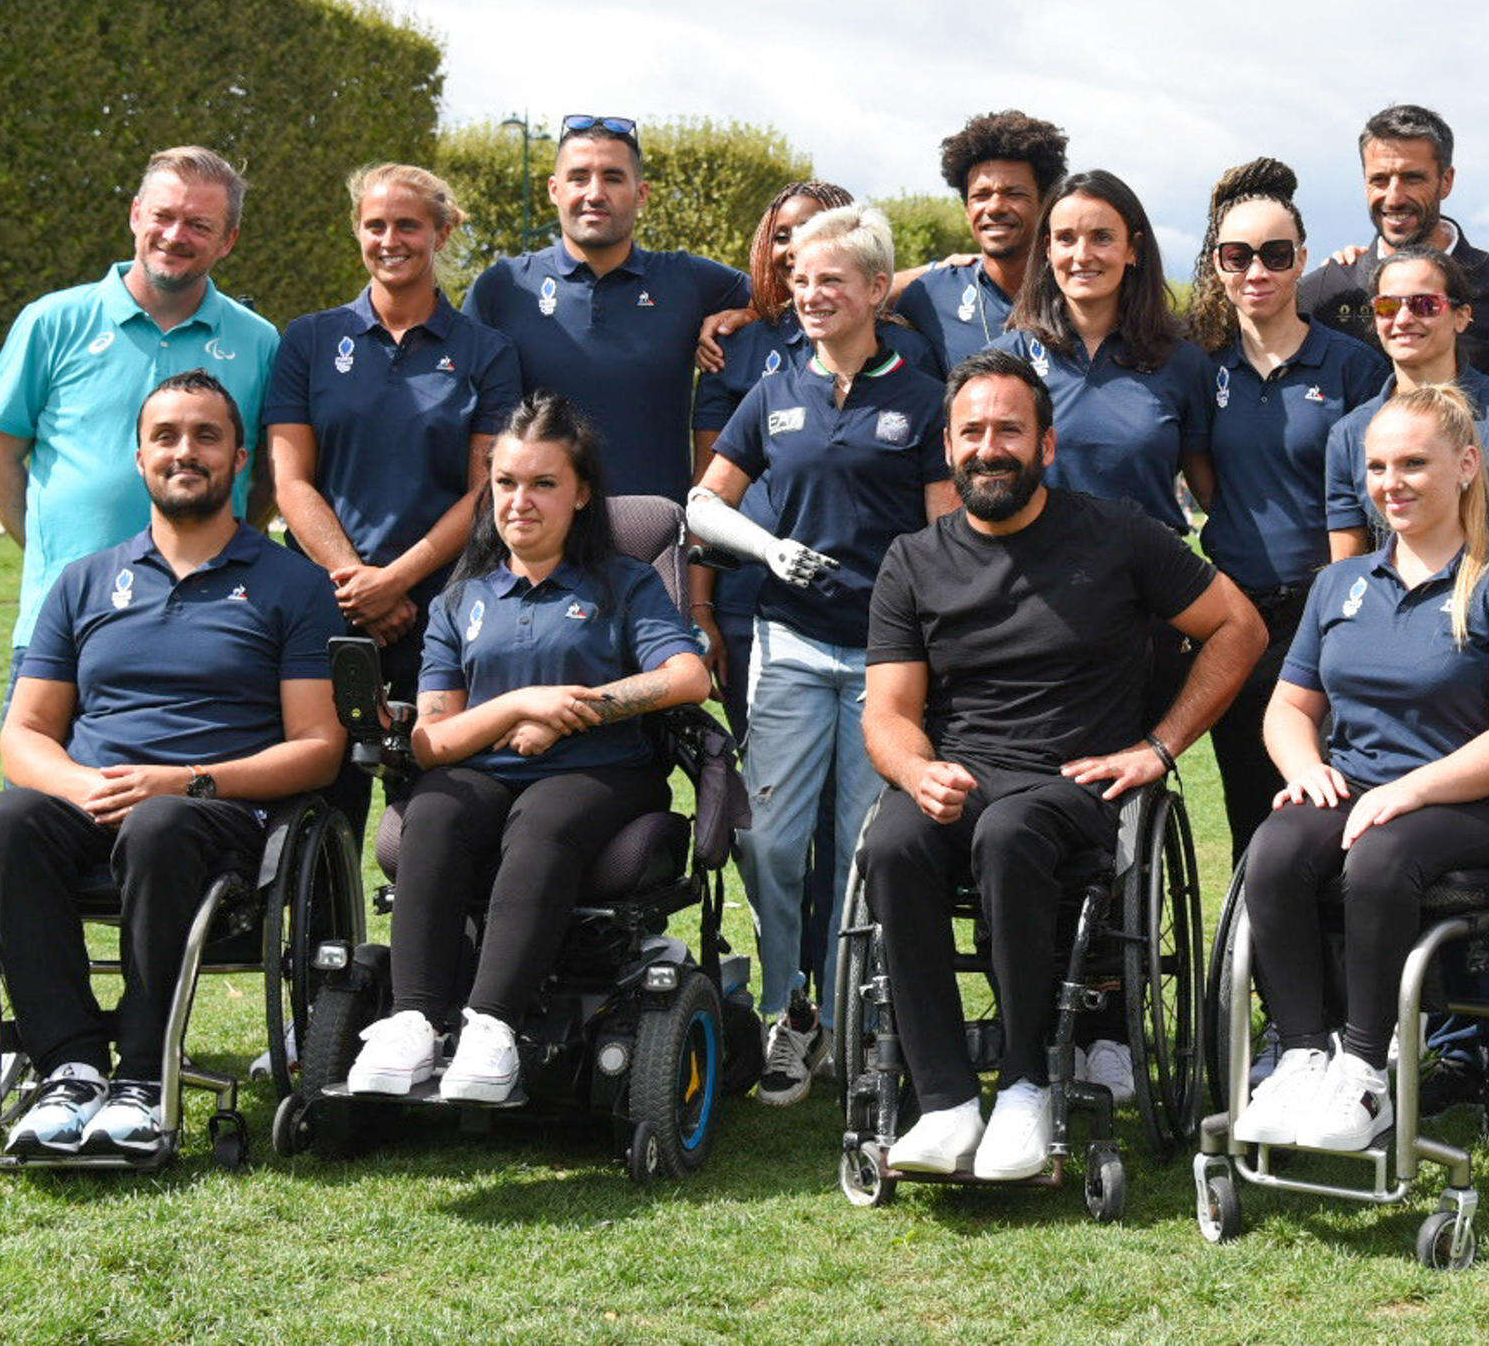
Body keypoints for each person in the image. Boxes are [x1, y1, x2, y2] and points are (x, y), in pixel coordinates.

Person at [860, 351, 1263, 1179]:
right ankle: (942, 1099)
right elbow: (889, 713)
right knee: (892, 843)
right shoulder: (913, 559)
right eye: (972, 430)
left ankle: (1024, 1084)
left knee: (1010, 832)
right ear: (947, 446)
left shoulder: (1118, 535)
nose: (989, 446)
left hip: (1069, 783)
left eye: (1010, 429)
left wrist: (1159, 745)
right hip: (958, 775)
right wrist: (913, 771)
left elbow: (1239, 628)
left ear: (1046, 446)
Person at [0, 371, 348, 1157]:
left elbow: (319, 746)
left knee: (159, 822)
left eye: (207, 435)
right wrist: (84, 784)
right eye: (167, 436)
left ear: (240, 457)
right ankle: (69, 1069)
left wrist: (186, 780)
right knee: (9, 818)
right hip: (92, 799)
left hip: (215, 814)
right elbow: (25, 735)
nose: (186, 451)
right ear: (139, 456)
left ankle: (144, 1077)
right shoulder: (81, 581)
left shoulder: (293, 584)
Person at [345, 394, 712, 1102]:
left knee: (544, 814)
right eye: (507, 482)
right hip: (483, 774)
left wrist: (576, 712)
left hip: (601, 773)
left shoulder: (625, 583)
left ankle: (492, 1026)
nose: (521, 500)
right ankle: (414, 1018)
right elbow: (433, 738)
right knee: (435, 808)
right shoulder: (460, 601)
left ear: (581, 494)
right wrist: (518, 705)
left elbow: (688, 675)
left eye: (544, 483)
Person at [1232, 384, 1489, 1152]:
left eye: (1414, 462)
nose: (1392, 482)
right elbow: (1287, 707)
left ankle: (1363, 1066)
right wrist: (1304, 764)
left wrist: (1410, 790)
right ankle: (1303, 1052)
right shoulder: (1339, 585)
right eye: (1378, 466)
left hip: (1475, 796)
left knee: (1377, 856)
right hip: (1357, 781)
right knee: (1274, 849)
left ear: (1467, 465)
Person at [687, 204, 957, 1106]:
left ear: (877, 290)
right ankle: (787, 1009)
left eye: (830, 279)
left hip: (887, 661)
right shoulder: (773, 390)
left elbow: (947, 535)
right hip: (790, 643)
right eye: (799, 278)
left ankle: (855, 1020)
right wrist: (765, 550)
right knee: (769, 841)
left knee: (860, 850)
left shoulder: (923, 400)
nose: (809, 293)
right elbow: (702, 506)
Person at [0, 148, 281, 675]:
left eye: (198, 224)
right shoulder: (51, 322)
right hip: (64, 623)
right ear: (137, 214)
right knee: (43, 759)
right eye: (163, 216)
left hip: (208, 623)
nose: (174, 234)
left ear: (228, 240)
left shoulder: (259, 342)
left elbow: (267, 481)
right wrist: (57, 558)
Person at [1182, 158, 1391, 852]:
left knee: (1331, 810)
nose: (1256, 271)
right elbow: (1207, 477)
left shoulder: (1352, 365)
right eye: (1237, 255)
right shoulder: (1202, 367)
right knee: (1251, 814)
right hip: (1234, 617)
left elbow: (1372, 500)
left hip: (1325, 612)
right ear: (1217, 263)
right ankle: (1266, 961)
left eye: (1275, 254)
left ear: (1302, 259)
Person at [266, 163, 522, 709]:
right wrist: (359, 582)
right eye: (375, 225)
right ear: (357, 231)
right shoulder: (309, 340)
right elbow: (290, 482)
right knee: (324, 782)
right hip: (329, 596)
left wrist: (396, 581)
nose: (390, 241)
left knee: (430, 785)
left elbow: (486, 492)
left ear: (442, 232)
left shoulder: (488, 352)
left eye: (408, 225)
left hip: (443, 601)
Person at [991, 170, 1219, 737]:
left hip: (1144, 609)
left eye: (1101, 237)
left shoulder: (1182, 363)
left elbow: (1213, 495)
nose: (1081, 254)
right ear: (1047, 250)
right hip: (1032, 603)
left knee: (1124, 784)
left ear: (1134, 250)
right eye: (1065, 238)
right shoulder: (1007, 359)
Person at [460, 116, 748, 503]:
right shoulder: (504, 287)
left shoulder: (689, 279)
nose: (595, 193)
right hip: (538, 540)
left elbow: (792, 297)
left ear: (641, 193)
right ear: (554, 189)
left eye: (613, 178)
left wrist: (744, 314)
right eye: (579, 177)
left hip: (653, 539)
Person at [1323, 246, 1489, 621]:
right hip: (1396, 637)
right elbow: (1348, 569)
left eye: (1424, 305)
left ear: (1461, 316)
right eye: (1388, 307)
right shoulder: (1350, 433)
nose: (1403, 318)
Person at [1298, 104, 1489, 397]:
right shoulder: (1323, 293)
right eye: (1380, 180)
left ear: (1446, 182)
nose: (1394, 197)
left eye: (1412, 178)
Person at [892, 110, 1071, 375]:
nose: (995, 207)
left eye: (1014, 193)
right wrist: (931, 268)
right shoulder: (932, 293)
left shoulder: (1078, 292)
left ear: (1045, 204)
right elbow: (857, 298)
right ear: (966, 208)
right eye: (981, 195)